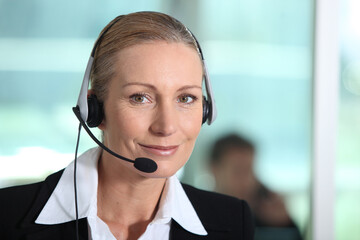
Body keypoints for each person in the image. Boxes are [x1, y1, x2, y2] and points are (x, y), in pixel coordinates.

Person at [0, 12, 254, 240]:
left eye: (185, 98)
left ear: (206, 110)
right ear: (94, 109)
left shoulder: (232, 221)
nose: (166, 126)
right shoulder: (7, 216)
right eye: (140, 97)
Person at [209, 133, 302, 240]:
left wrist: (285, 224)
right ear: (214, 169)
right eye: (238, 170)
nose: (246, 181)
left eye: (249, 170)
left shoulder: (265, 220)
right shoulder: (199, 217)